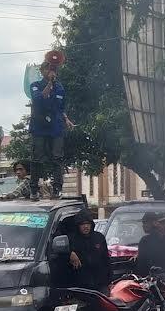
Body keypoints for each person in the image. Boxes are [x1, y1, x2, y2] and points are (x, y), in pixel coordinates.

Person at [29, 59, 74, 190]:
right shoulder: (35, 85)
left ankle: (57, 188)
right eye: (48, 69)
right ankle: (34, 189)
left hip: (56, 126)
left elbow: (61, 107)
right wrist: (49, 83)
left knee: (57, 158)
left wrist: (66, 119)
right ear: (42, 71)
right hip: (39, 126)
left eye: (54, 70)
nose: (51, 72)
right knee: (37, 158)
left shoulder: (60, 87)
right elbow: (39, 99)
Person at [66, 212, 112, 294]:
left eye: (88, 223)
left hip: (100, 284)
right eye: (82, 224)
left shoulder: (99, 237)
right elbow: (60, 253)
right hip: (80, 285)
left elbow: (106, 259)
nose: (86, 226)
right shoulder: (71, 239)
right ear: (78, 226)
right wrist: (70, 253)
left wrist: (109, 280)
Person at [133, 211, 165, 278]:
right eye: (161, 222)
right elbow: (141, 264)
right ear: (155, 223)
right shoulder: (145, 241)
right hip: (149, 281)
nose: (164, 225)